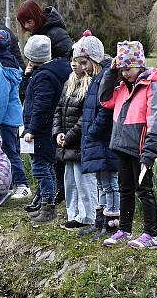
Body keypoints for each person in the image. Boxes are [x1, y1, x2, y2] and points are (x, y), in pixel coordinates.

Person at [100, 41, 157, 249]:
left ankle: (151, 233)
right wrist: (111, 73)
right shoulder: (121, 87)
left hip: (141, 149)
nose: (125, 72)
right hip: (122, 146)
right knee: (125, 189)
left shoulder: (152, 87)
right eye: (121, 68)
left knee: (144, 190)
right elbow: (104, 99)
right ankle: (125, 228)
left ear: (139, 64)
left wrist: (150, 152)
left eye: (128, 68)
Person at [22, 35, 72, 224]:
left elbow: (41, 105)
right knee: (46, 166)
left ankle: (48, 207)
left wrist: (32, 130)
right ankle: (46, 203)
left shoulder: (43, 76)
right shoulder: (57, 69)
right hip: (49, 127)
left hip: (41, 130)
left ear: (31, 57)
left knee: (40, 168)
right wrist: (28, 76)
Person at [76, 31, 120, 238]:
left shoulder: (106, 78)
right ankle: (99, 221)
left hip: (103, 139)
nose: (82, 68)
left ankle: (112, 224)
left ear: (94, 58)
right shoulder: (96, 78)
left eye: (84, 63)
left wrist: (92, 131)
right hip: (95, 139)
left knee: (110, 183)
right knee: (101, 183)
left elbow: (105, 109)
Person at [0, 30, 30, 200]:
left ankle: (23, 185)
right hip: (12, 116)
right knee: (10, 151)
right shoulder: (13, 64)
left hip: (3, 119)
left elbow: (0, 100)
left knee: (9, 152)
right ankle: (8, 185)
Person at [53, 50, 97, 231]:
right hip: (66, 142)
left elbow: (84, 118)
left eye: (79, 61)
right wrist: (58, 132)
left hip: (78, 142)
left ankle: (87, 215)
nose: (74, 64)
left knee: (84, 182)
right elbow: (59, 109)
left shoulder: (89, 85)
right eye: (72, 60)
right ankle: (73, 214)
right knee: (70, 180)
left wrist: (69, 136)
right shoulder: (69, 83)